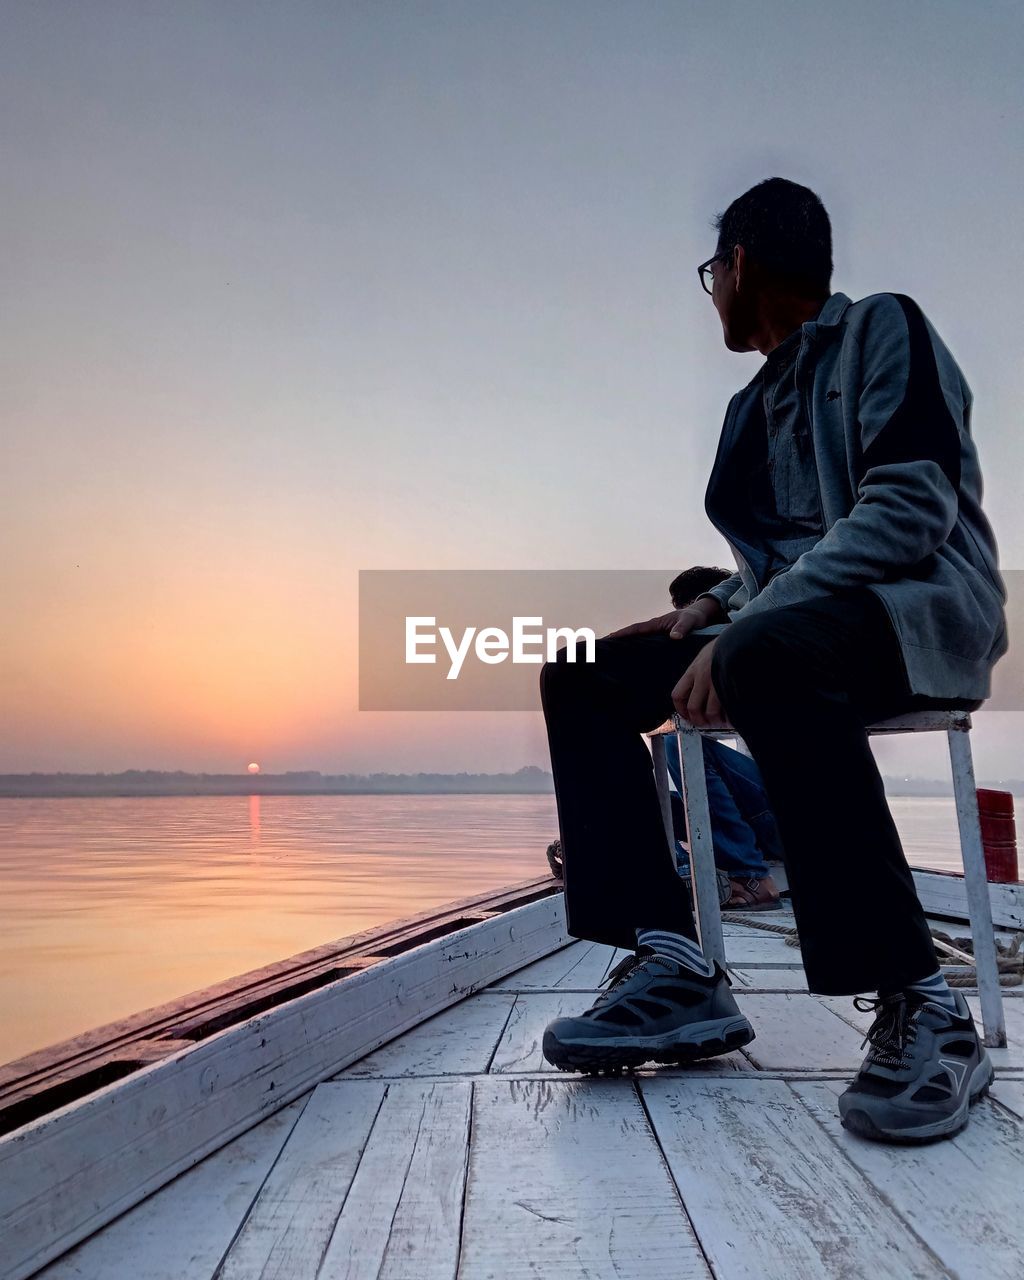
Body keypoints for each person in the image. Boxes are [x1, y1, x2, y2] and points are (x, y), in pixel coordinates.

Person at [539, 178, 1007, 1144]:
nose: (712, 292)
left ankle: (927, 1007)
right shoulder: (749, 408)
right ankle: (673, 963)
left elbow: (909, 511)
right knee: (582, 674)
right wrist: (709, 609)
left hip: (913, 612)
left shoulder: (885, 329)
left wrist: (754, 623)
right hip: (788, 627)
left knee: (773, 659)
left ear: (741, 266)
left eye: (713, 274)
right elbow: (775, 565)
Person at [667, 567, 783, 910]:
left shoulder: (753, 641)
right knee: (639, 794)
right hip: (757, 816)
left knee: (680, 743)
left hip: (793, 811)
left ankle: (748, 876)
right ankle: (681, 870)